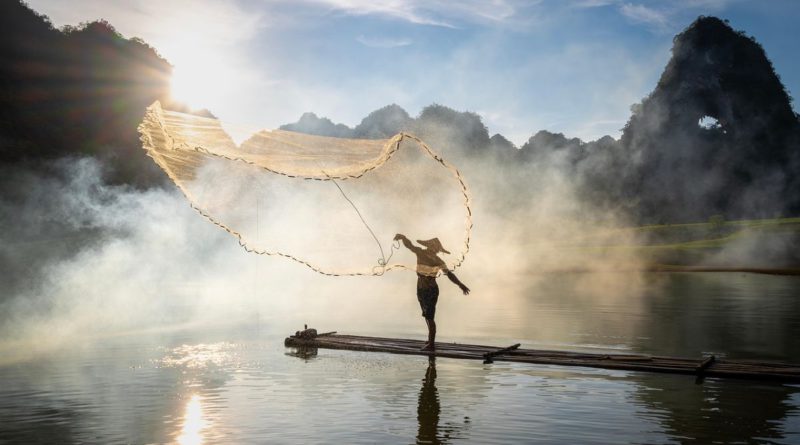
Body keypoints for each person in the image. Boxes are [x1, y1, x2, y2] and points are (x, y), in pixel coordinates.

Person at [394, 233, 470, 351]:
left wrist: (461, 285)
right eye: (434, 248)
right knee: (426, 315)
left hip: (430, 290)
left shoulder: (435, 259)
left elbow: (449, 274)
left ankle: (431, 345)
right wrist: (403, 238)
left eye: (435, 248)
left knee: (430, 317)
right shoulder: (421, 253)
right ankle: (430, 339)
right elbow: (409, 245)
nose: (434, 250)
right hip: (421, 288)